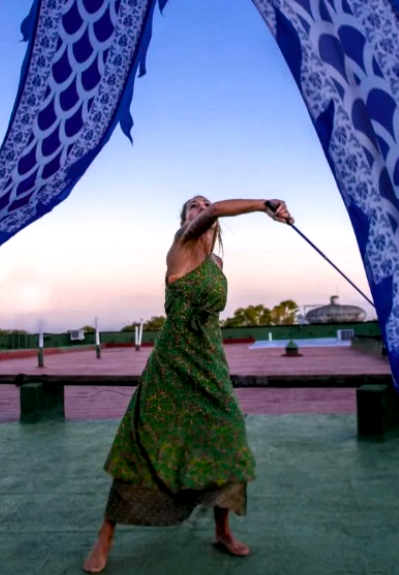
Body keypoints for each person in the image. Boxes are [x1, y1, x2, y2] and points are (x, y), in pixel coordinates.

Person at [83, 196, 294, 573]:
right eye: (192, 207)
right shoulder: (181, 245)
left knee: (228, 436)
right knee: (147, 442)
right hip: (173, 361)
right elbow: (214, 212)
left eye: (204, 204)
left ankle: (222, 530)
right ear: (185, 220)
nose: (200, 208)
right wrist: (264, 205)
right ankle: (106, 535)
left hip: (209, 359)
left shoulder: (217, 264)